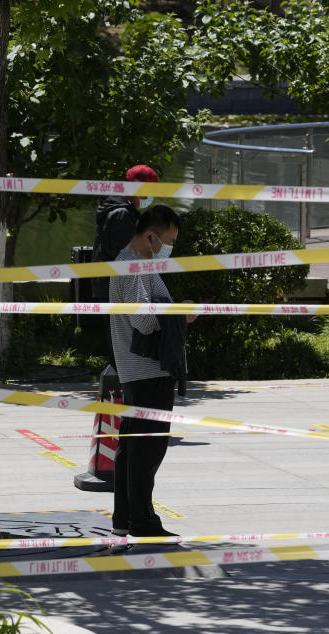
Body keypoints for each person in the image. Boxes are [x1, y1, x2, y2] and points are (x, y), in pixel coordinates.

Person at [109, 205, 182, 537]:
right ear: (151, 236)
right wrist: (177, 317)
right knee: (148, 448)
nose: (168, 249)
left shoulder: (130, 263)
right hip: (146, 369)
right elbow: (141, 319)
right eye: (168, 241)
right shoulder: (132, 266)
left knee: (132, 446)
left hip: (135, 370)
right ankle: (142, 519)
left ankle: (125, 516)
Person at [92, 164, 160, 367]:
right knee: (123, 349)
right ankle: (122, 391)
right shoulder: (122, 215)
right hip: (118, 291)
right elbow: (128, 259)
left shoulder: (120, 210)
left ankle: (120, 388)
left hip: (110, 287)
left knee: (119, 347)